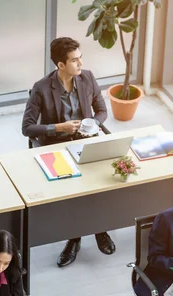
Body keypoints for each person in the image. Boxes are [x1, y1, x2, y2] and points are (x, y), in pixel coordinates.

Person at [21, 36, 116, 267]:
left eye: (80, 58)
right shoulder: (41, 88)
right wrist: (58, 128)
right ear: (60, 65)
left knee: (98, 186)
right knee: (75, 192)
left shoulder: (87, 78)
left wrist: (92, 122)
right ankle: (75, 238)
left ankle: (98, 228)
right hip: (57, 147)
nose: (80, 64)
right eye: (74, 60)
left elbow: (102, 110)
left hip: (86, 140)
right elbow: (27, 127)